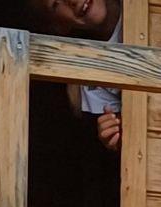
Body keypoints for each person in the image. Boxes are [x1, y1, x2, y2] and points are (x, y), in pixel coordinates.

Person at [25, 0, 124, 149]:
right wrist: (118, 134)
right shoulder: (88, 76)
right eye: (55, 4)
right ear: (59, 26)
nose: (71, 1)